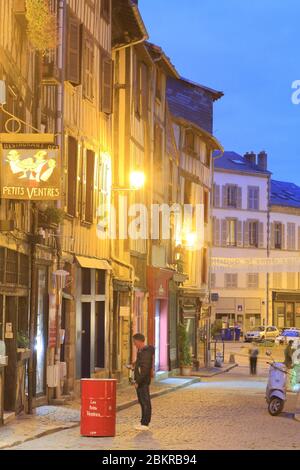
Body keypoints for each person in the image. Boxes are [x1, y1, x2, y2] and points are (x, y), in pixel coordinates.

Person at [132, 333, 155, 432]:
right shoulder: (141, 351)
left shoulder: (145, 352)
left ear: (139, 341)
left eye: (134, 342)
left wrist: (138, 381)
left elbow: (145, 369)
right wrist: (133, 365)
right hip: (141, 381)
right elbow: (140, 364)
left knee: (145, 402)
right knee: (142, 401)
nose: (134, 344)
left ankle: (145, 423)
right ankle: (143, 422)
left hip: (143, 381)